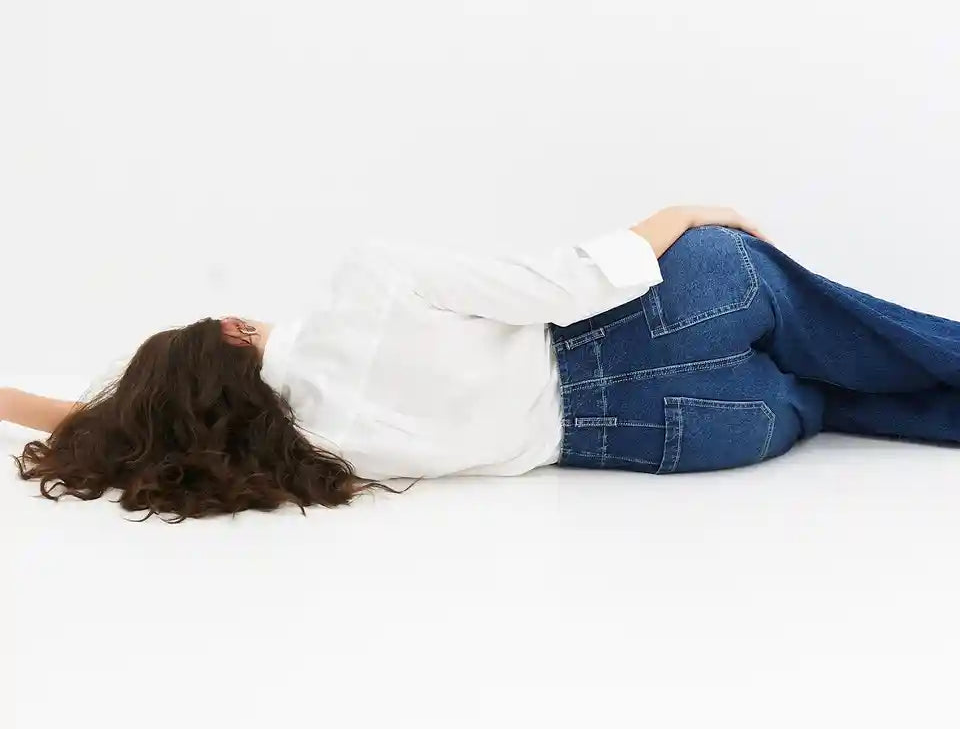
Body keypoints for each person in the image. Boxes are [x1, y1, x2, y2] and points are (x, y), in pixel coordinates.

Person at [5, 202, 960, 522]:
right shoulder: (367, 285)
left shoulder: (314, 453)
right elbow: (567, 283)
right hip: (667, 320)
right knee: (865, 334)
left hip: (700, 436)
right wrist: (681, 213)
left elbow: (115, 428)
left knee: (827, 400)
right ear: (232, 335)